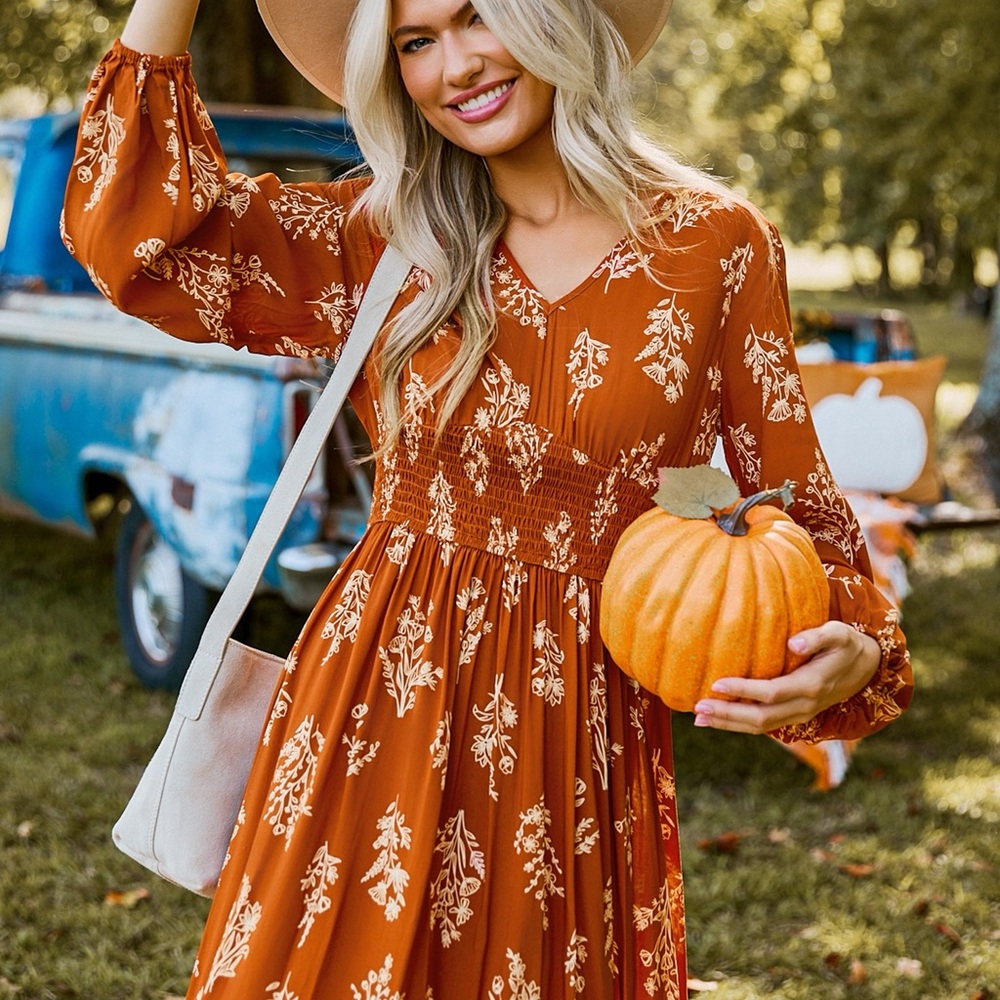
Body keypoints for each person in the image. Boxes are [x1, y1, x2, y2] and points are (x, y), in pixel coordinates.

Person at [62, 0, 913, 996]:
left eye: (477, 18)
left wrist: (846, 649)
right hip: (374, 704)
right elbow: (144, 246)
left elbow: (806, 522)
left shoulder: (716, 245)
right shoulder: (382, 232)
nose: (454, 64)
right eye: (417, 41)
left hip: (576, 739)